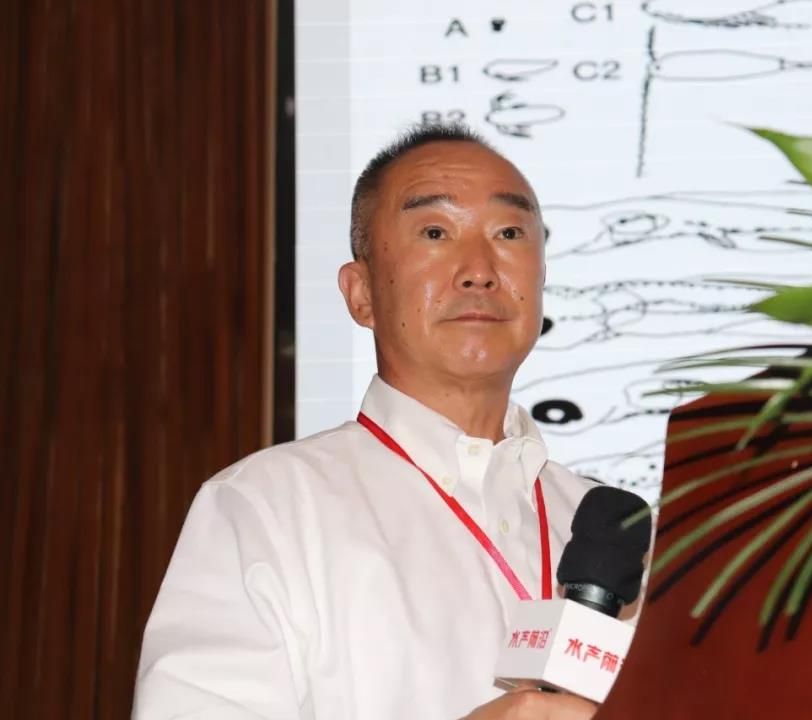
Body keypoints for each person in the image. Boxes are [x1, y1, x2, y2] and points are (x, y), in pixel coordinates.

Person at [133, 124, 601, 719]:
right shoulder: (265, 508)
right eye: (435, 232)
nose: (479, 270)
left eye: (509, 233)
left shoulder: (619, 533)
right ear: (361, 294)